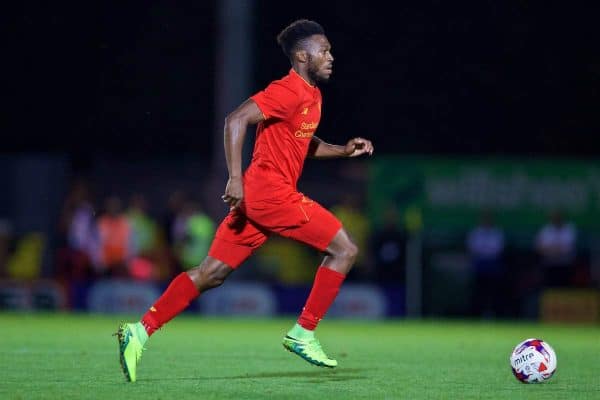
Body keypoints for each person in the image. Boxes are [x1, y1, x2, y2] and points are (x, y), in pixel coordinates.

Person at [115, 19, 374, 382]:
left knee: (211, 274)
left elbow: (304, 143)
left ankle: (139, 331)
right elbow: (236, 119)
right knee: (344, 249)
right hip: (271, 194)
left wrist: (343, 151)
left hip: (258, 199)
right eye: (324, 50)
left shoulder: (312, 95)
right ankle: (304, 331)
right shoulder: (287, 90)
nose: (331, 56)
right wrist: (234, 176)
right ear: (302, 55)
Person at [466, 210, 505, 318]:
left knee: (493, 292)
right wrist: (485, 250)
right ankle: (477, 314)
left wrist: (485, 250)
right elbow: (473, 248)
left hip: (493, 264)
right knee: (478, 291)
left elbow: (497, 249)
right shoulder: (476, 232)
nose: (486, 222)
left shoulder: (497, 233)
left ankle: (492, 313)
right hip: (479, 264)